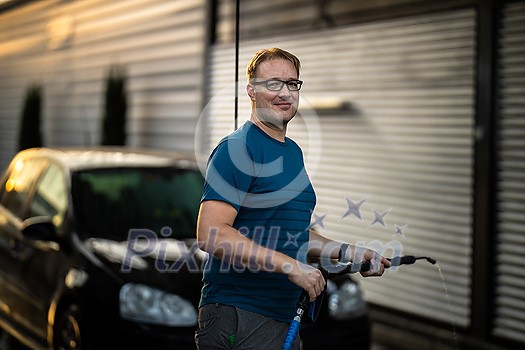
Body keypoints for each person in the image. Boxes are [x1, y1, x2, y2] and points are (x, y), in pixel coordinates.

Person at [195, 47, 391, 350]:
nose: (284, 92)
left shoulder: (292, 152)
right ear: (251, 90)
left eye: (292, 83)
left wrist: (348, 251)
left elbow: (292, 236)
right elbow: (211, 233)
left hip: (284, 316)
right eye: (273, 83)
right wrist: (290, 267)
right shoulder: (237, 149)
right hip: (241, 314)